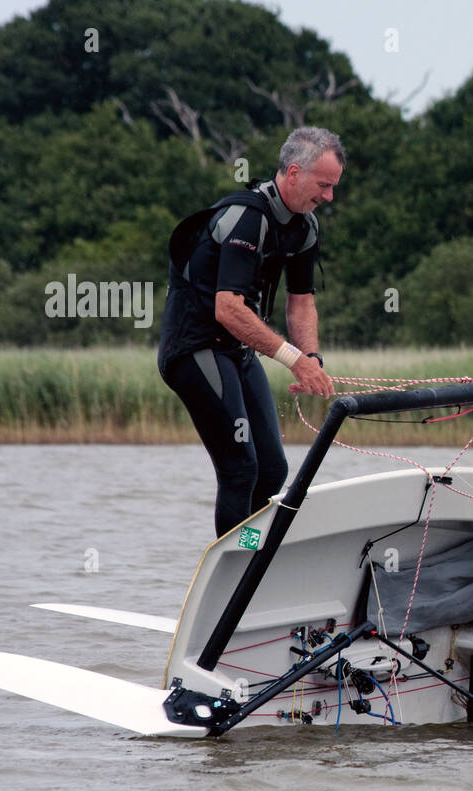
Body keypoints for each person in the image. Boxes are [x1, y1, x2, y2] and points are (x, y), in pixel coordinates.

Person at [158, 126, 341, 539]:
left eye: (334, 187)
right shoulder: (247, 217)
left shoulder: (305, 228)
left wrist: (311, 359)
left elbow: (301, 302)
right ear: (294, 173)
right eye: (324, 185)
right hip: (194, 350)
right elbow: (228, 308)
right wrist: (294, 362)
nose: (329, 197)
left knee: (273, 469)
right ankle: (232, 576)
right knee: (241, 468)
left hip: (236, 352)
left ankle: (248, 555)